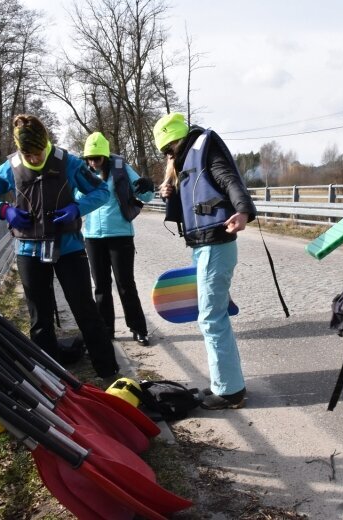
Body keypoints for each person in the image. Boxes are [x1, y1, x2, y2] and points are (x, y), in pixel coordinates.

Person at [0, 114, 120, 383]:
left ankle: (109, 372)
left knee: (85, 310)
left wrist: (77, 208)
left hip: (69, 247)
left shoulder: (69, 163)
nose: (35, 159)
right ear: (20, 150)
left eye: (38, 153)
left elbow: (101, 192)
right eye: (28, 154)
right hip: (28, 249)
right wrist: (5, 210)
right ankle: (49, 375)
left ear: (46, 145)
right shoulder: (11, 167)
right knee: (39, 318)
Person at [152, 112, 257, 410]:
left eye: (168, 150)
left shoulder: (204, 148)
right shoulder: (185, 159)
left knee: (211, 317)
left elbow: (228, 179)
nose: (168, 156)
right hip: (203, 244)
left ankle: (230, 391)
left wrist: (243, 210)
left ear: (176, 141)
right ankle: (228, 384)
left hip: (216, 243)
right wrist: (167, 192)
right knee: (214, 314)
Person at [81, 131, 155, 346]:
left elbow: (145, 195)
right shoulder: (83, 172)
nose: (93, 163)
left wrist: (147, 187)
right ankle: (106, 331)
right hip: (93, 236)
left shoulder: (121, 168)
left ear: (105, 156)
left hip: (120, 234)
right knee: (101, 287)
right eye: (89, 159)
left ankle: (139, 329)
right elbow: (76, 197)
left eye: (97, 159)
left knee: (125, 285)